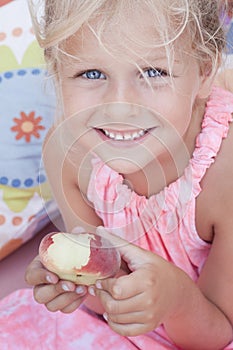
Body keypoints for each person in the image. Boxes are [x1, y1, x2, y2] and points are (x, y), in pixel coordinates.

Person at [1, 0, 233, 349]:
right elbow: (107, 287)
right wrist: (77, 281)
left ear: (204, 71)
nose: (121, 105)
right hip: (123, 329)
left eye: (154, 72)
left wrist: (175, 299)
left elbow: (218, 333)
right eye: (91, 74)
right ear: (56, 69)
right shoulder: (68, 153)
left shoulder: (223, 174)